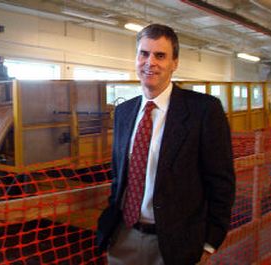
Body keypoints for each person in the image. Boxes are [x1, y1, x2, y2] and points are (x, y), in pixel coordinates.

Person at [96, 24, 236, 265]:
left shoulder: (203, 110)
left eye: (160, 55)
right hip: (123, 238)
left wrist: (210, 242)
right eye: (144, 53)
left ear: (175, 62)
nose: (150, 62)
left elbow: (221, 182)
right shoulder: (123, 112)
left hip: (176, 245)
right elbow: (120, 178)